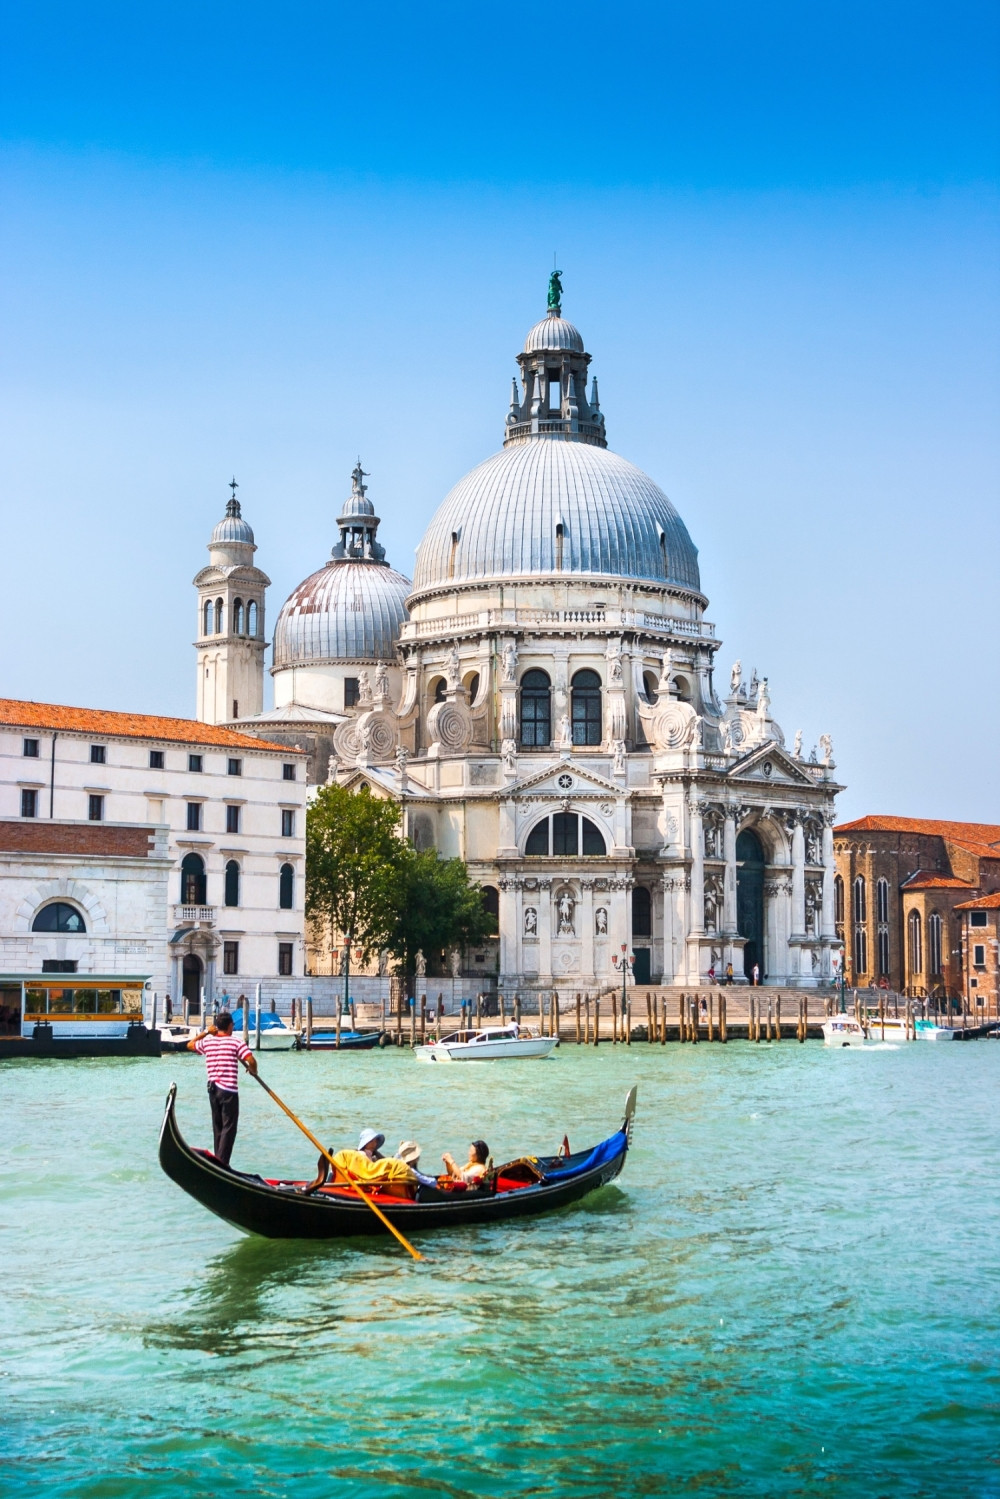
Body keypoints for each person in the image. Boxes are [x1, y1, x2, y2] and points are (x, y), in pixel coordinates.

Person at [187, 1010, 257, 1166]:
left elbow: (190, 1045)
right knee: (229, 1128)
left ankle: (218, 1160)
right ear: (230, 1025)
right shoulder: (235, 1042)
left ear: (216, 1027)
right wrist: (253, 1071)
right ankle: (222, 1164)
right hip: (228, 1091)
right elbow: (251, 1060)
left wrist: (205, 1032)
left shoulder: (208, 1042)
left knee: (218, 1127)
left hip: (212, 1090)